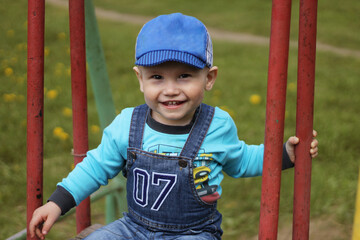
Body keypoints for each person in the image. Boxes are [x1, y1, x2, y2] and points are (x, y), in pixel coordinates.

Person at [29, 13, 318, 240]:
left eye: (184, 76)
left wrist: (284, 155)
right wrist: (56, 204)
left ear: (209, 77)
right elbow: (95, 167)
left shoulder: (217, 126)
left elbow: (241, 160)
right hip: (134, 229)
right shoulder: (127, 124)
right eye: (157, 77)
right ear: (139, 78)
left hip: (194, 233)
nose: (170, 90)